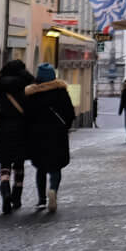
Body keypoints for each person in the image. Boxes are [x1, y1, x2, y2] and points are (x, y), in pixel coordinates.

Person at [25, 62, 76, 212]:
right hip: (57, 134)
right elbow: (70, 114)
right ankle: (53, 189)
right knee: (56, 165)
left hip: (37, 135)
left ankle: (41, 199)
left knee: (40, 167)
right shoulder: (61, 92)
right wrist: (64, 127)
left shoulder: (32, 94)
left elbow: (27, 116)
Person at [0, 59, 32, 214]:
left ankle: (5, 190)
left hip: (4, 130)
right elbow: (31, 110)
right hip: (22, 129)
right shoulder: (26, 87)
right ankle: (17, 196)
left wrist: (3, 119)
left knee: (5, 162)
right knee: (19, 164)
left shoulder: (0, 89)